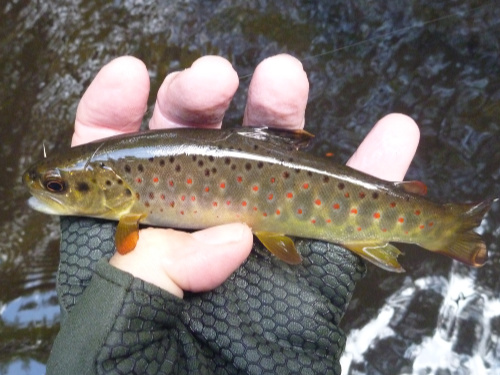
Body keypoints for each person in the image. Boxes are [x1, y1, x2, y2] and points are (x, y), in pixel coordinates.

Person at [46, 54, 419, 374]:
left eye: (57, 187)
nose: (51, 192)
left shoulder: (128, 217)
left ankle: (439, 227)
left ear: (112, 189)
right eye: (56, 186)